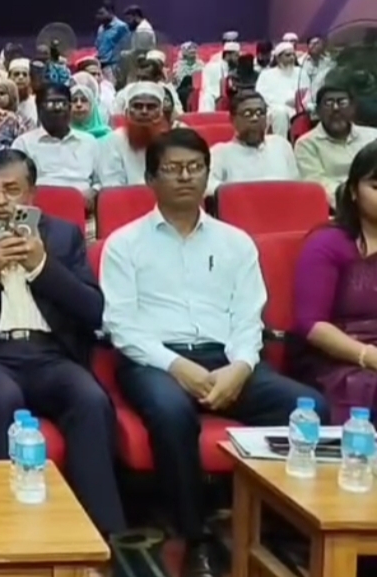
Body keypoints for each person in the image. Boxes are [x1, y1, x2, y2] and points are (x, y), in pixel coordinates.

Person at [101, 128, 328, 577]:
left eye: (195, 168)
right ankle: (194, 536)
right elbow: (121, 326)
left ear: (208, 175)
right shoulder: (124, 244)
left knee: (307, 407)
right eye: (173, 169)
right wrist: (177, 366)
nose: (185, 177)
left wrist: (240, 367)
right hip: (154, 361)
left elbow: (249, 316)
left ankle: (282, 519)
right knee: (171, 411)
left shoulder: (235, 242)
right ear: (150, 179)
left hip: (227, 357)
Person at [0, 148, 126, 541]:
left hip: (50, 355)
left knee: (89, 398)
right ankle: (0, 528)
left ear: (31, 193)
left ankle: (100, 535)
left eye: (12, 190)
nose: (0, 201)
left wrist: (42, 266)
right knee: (2, 394)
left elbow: (93, 310)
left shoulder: (63, 235)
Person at [291, 142, 377, 424]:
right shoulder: (328, 243)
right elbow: (312, 325)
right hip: (337, 359)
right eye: (376, 186)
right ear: (353, 191)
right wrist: (368, 356)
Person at [12, 83, 100, 202]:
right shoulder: (23, 143)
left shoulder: (89, 141)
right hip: (39, 207)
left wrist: (94, 191)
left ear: (70, 108)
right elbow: (15, 182)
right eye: (51, 104)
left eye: (62, 103)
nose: (57, 108)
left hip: (82, 207)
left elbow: (101, 180)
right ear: (38, 109)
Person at [295, 86, 377, 206]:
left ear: (353, 108)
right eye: (328, 103)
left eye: (342, 102)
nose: (335, 108)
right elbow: (318, 184)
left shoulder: (373, 136)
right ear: (318, 111)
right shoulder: (306, 144)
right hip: (337, 208)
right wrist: (355, 201)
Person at [206, 91, 299, 195]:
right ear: (232, 119)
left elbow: (296, 186)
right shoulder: (219, 153)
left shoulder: (281, 145)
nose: (255, 118)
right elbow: (208, 187)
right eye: (247, 114)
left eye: (260, 113)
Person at [98, 82, 169, 187]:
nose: (144, 112)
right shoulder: (114, 140)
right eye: (138, 106)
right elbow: (112, 183)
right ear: (127, 112)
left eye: (151, 107)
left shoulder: (172, 139)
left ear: (161, 112)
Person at [255, 42, 302, 137]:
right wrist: (284, 103)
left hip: (298, 108)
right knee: (280, 112)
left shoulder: (301, 72)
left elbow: (307, 93)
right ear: (278, 58)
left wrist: (297, 102)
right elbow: (261, 96)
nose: (292, 58)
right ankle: (280, 143)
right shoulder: (266, 75)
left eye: (293, 55)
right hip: (274, 109)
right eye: (288, 55)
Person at [70, 72, 112, 139]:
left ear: (92, 106)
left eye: (84, 100)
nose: (79, 104)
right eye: (74, 100)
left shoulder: (107, 136)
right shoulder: (62, 137)